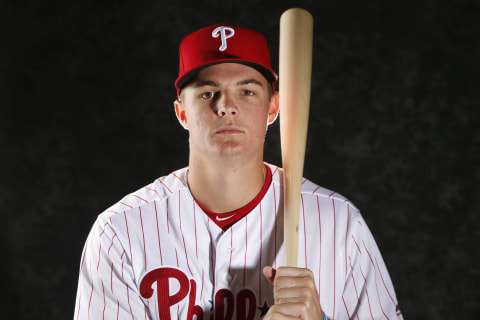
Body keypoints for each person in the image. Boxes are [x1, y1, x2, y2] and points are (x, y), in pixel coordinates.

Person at [74, 23, 402, 320]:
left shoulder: (339, 223)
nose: (226, 106)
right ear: (182, 112)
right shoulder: (120, 231)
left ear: (274, 107)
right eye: (207, 92)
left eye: (246, 91)